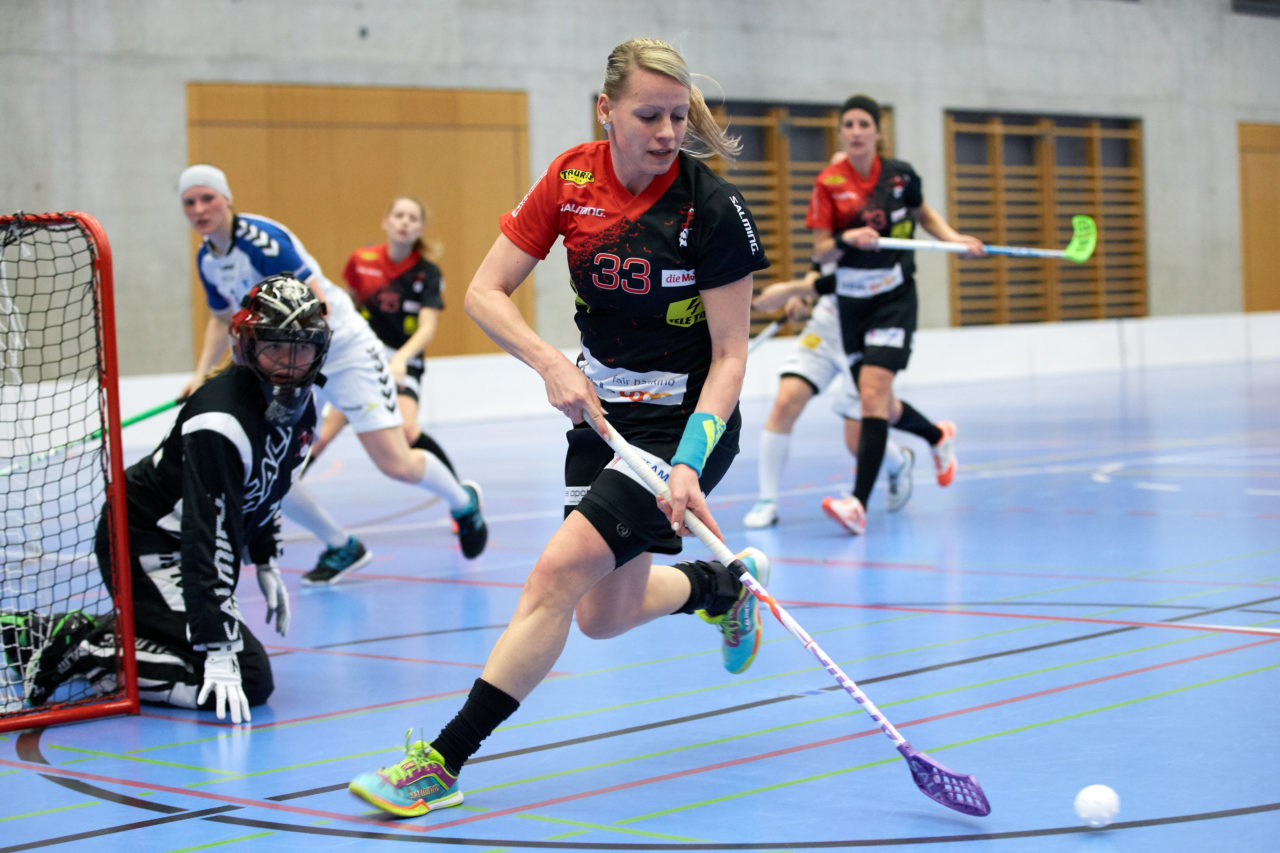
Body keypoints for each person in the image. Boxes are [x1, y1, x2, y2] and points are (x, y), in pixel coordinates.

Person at [347, 37, 771, 818]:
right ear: (605, 110)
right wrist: (549, 361)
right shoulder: (573, 179)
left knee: (555, 571)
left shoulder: (709, 209)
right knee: (601, 613)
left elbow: (732, 356)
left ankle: (442, 759)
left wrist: (688, 463)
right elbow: (485, 291)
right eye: (649, 114)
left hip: (682, 423)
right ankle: (720, 585)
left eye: (679, 116)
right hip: (599, 415)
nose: (668, 132)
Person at [3, 276, 330, 722]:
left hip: (186, 546)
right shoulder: (219, 419)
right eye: (275, 347)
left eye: (302, 348)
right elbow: (205, 532)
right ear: (247, 346)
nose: (288, 364)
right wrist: (217, 648)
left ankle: (73, 634)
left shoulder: (304, 407)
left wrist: (266, 556)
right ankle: (81, 646)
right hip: (146, 544)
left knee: (235, 666)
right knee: (250, 677)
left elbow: (272, 483)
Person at [176, 165, 487, 581]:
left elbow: (317, 303)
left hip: (341, 349)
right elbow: (220, 318)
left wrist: (289, 371)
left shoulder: (261, 241)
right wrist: (201, 375)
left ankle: (463, 501)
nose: (200, 209)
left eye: (207, 198)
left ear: (227, 199)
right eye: (190, 202)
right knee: (272, 469)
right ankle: (342, 546)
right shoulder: (208, 259)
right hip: (292, 365)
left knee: (395, 462)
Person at [807, 94, 982, 535]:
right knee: (879, 402)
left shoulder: (901, 176)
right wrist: (850, 239)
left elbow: (925, 216)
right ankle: (936, 436)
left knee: (871, 393)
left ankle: (857, 504)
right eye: (848, 124)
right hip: (851, 304)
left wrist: (954, 239)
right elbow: (822, 251)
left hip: (894, 298)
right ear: (842, 132)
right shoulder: (828, 183)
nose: (856, 131)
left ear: (878, 131)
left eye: (864, 124)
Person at [742, 260, 914, 528]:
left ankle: (898, 462)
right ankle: (768, 501)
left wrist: (789, 290)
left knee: (856, 441)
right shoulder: (828, 227)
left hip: (861, 334)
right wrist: (803, 297)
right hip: (825, 329)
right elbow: (821, 265)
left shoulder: (872, 231)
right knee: (785, 402)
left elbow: (849, 280)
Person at [306, 197, 461, 492]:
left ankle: (461, 497)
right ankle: (270, 507)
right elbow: (344, 307)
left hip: (402, 360)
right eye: (399, 215)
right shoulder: (361, 261)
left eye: (413, 218)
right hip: (359, 356)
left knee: (407, 429)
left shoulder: (427, 273)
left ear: (421, 229)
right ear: (386, 222)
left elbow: (427, 328)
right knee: (319, 439)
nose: (405, 222)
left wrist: (400, 359)